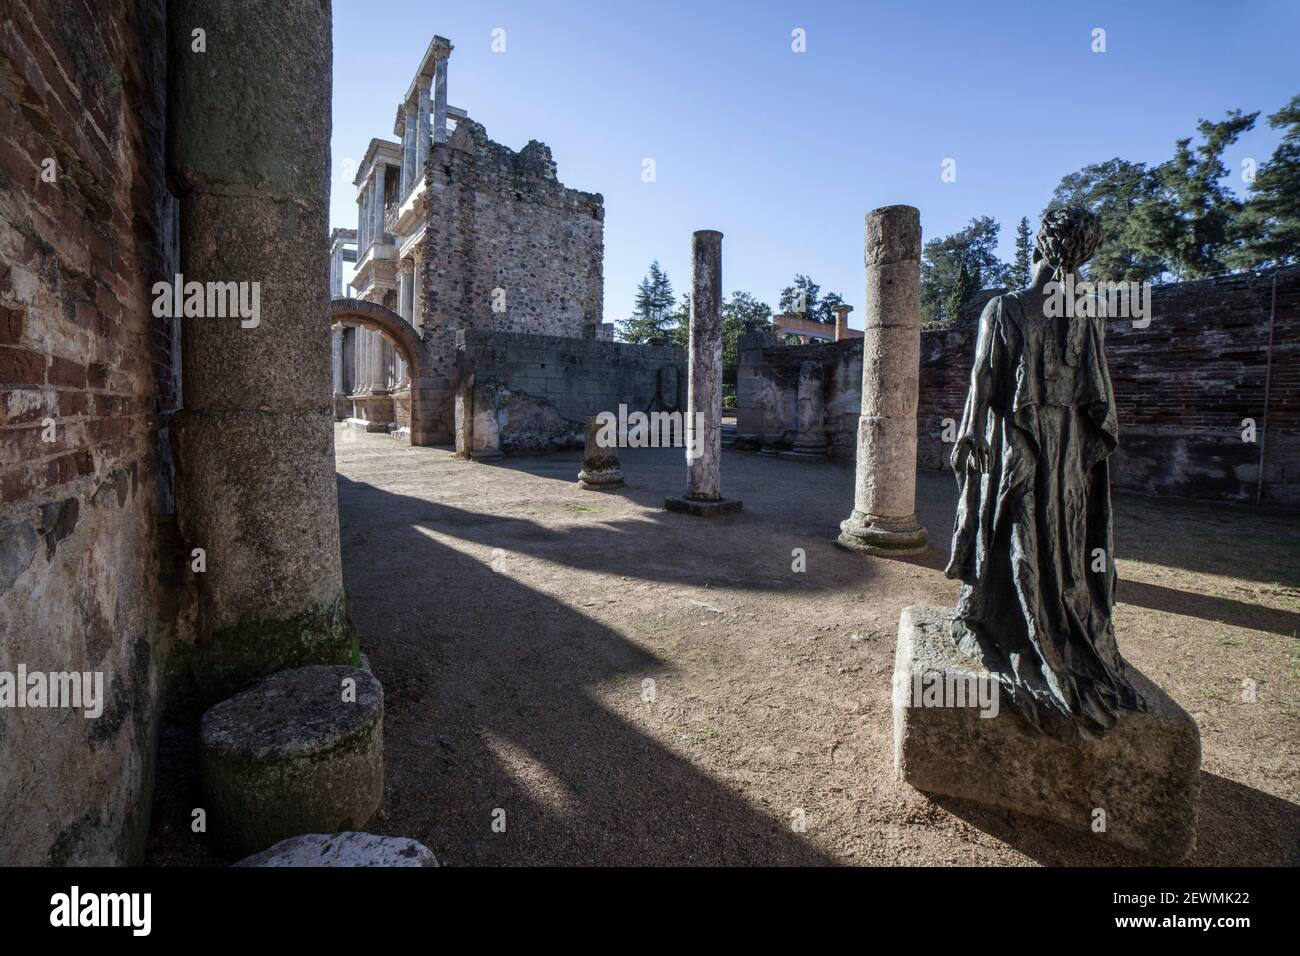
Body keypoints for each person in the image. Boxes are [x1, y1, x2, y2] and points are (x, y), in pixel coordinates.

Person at [945, 206, 1144, 738]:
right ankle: (1058, 624)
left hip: (1021, 439)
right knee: (1067, 535)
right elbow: (1098, 400)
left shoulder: (1006, 308)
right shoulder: (1091, 313)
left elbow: (984, 377)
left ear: (1039, 246)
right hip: (1070, 448)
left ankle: (1012, 620)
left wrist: (968, 432)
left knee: (1019, 530)